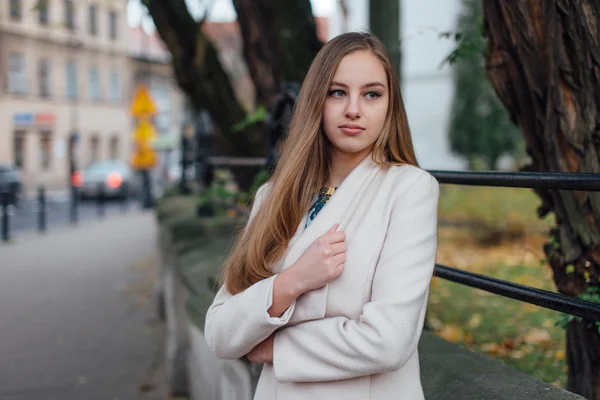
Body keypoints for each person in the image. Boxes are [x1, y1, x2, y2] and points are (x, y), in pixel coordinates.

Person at [205, 31, 440, 400]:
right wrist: (290, 282)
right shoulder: (273, 197)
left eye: (372, 94)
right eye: (338, 92)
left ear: (390, 106)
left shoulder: (409, 189)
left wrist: (275, 348)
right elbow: (220, 331)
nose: (353, 109)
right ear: (317, 100)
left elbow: (389, 340)